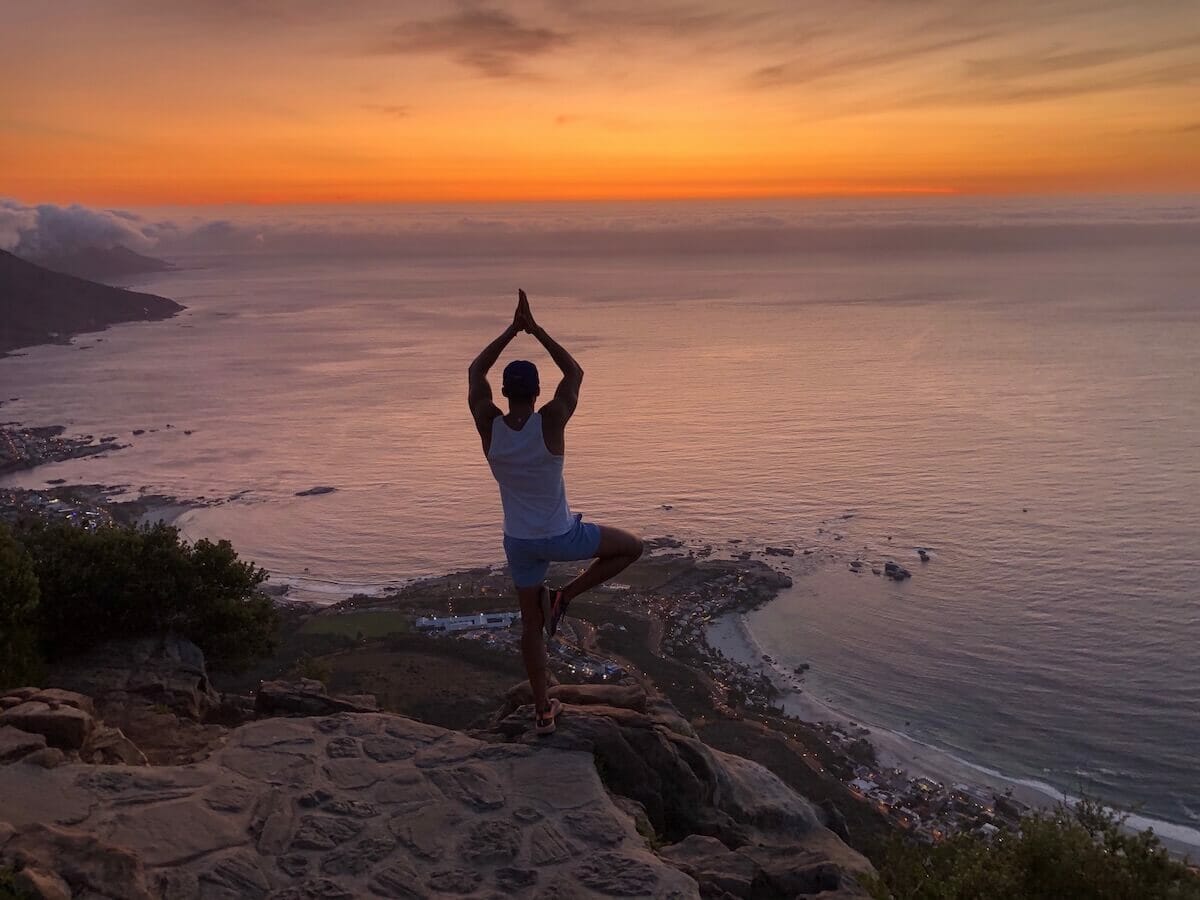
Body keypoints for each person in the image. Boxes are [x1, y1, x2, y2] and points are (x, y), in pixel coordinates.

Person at [468, 289, 643, 734]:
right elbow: (575, 371)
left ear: (504, 393)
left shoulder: (489, 426)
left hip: (520, 543)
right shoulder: (551, 421)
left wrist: (512, 330)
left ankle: (544, 709)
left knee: (530, 628)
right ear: (538, 392)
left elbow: (475, 371)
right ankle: (566, 595)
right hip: (562, 536)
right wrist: (537, 329)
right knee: (632, 547)